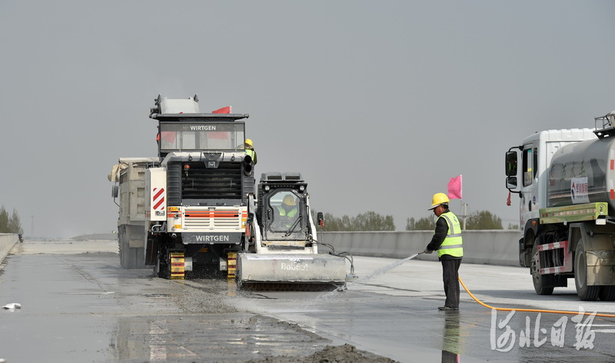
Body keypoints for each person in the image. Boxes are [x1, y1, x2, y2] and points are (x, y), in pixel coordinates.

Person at [424, 192, 463, 311]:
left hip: (449, 254)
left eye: (435, 208)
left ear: (441, 206)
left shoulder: (442, 220)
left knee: (449, 280)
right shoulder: (453, 217)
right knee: (453, 280)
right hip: (457, 254)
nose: (434, 211)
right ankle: (454, 303)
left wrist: (430, 247)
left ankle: (451, 304)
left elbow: (439, 237)